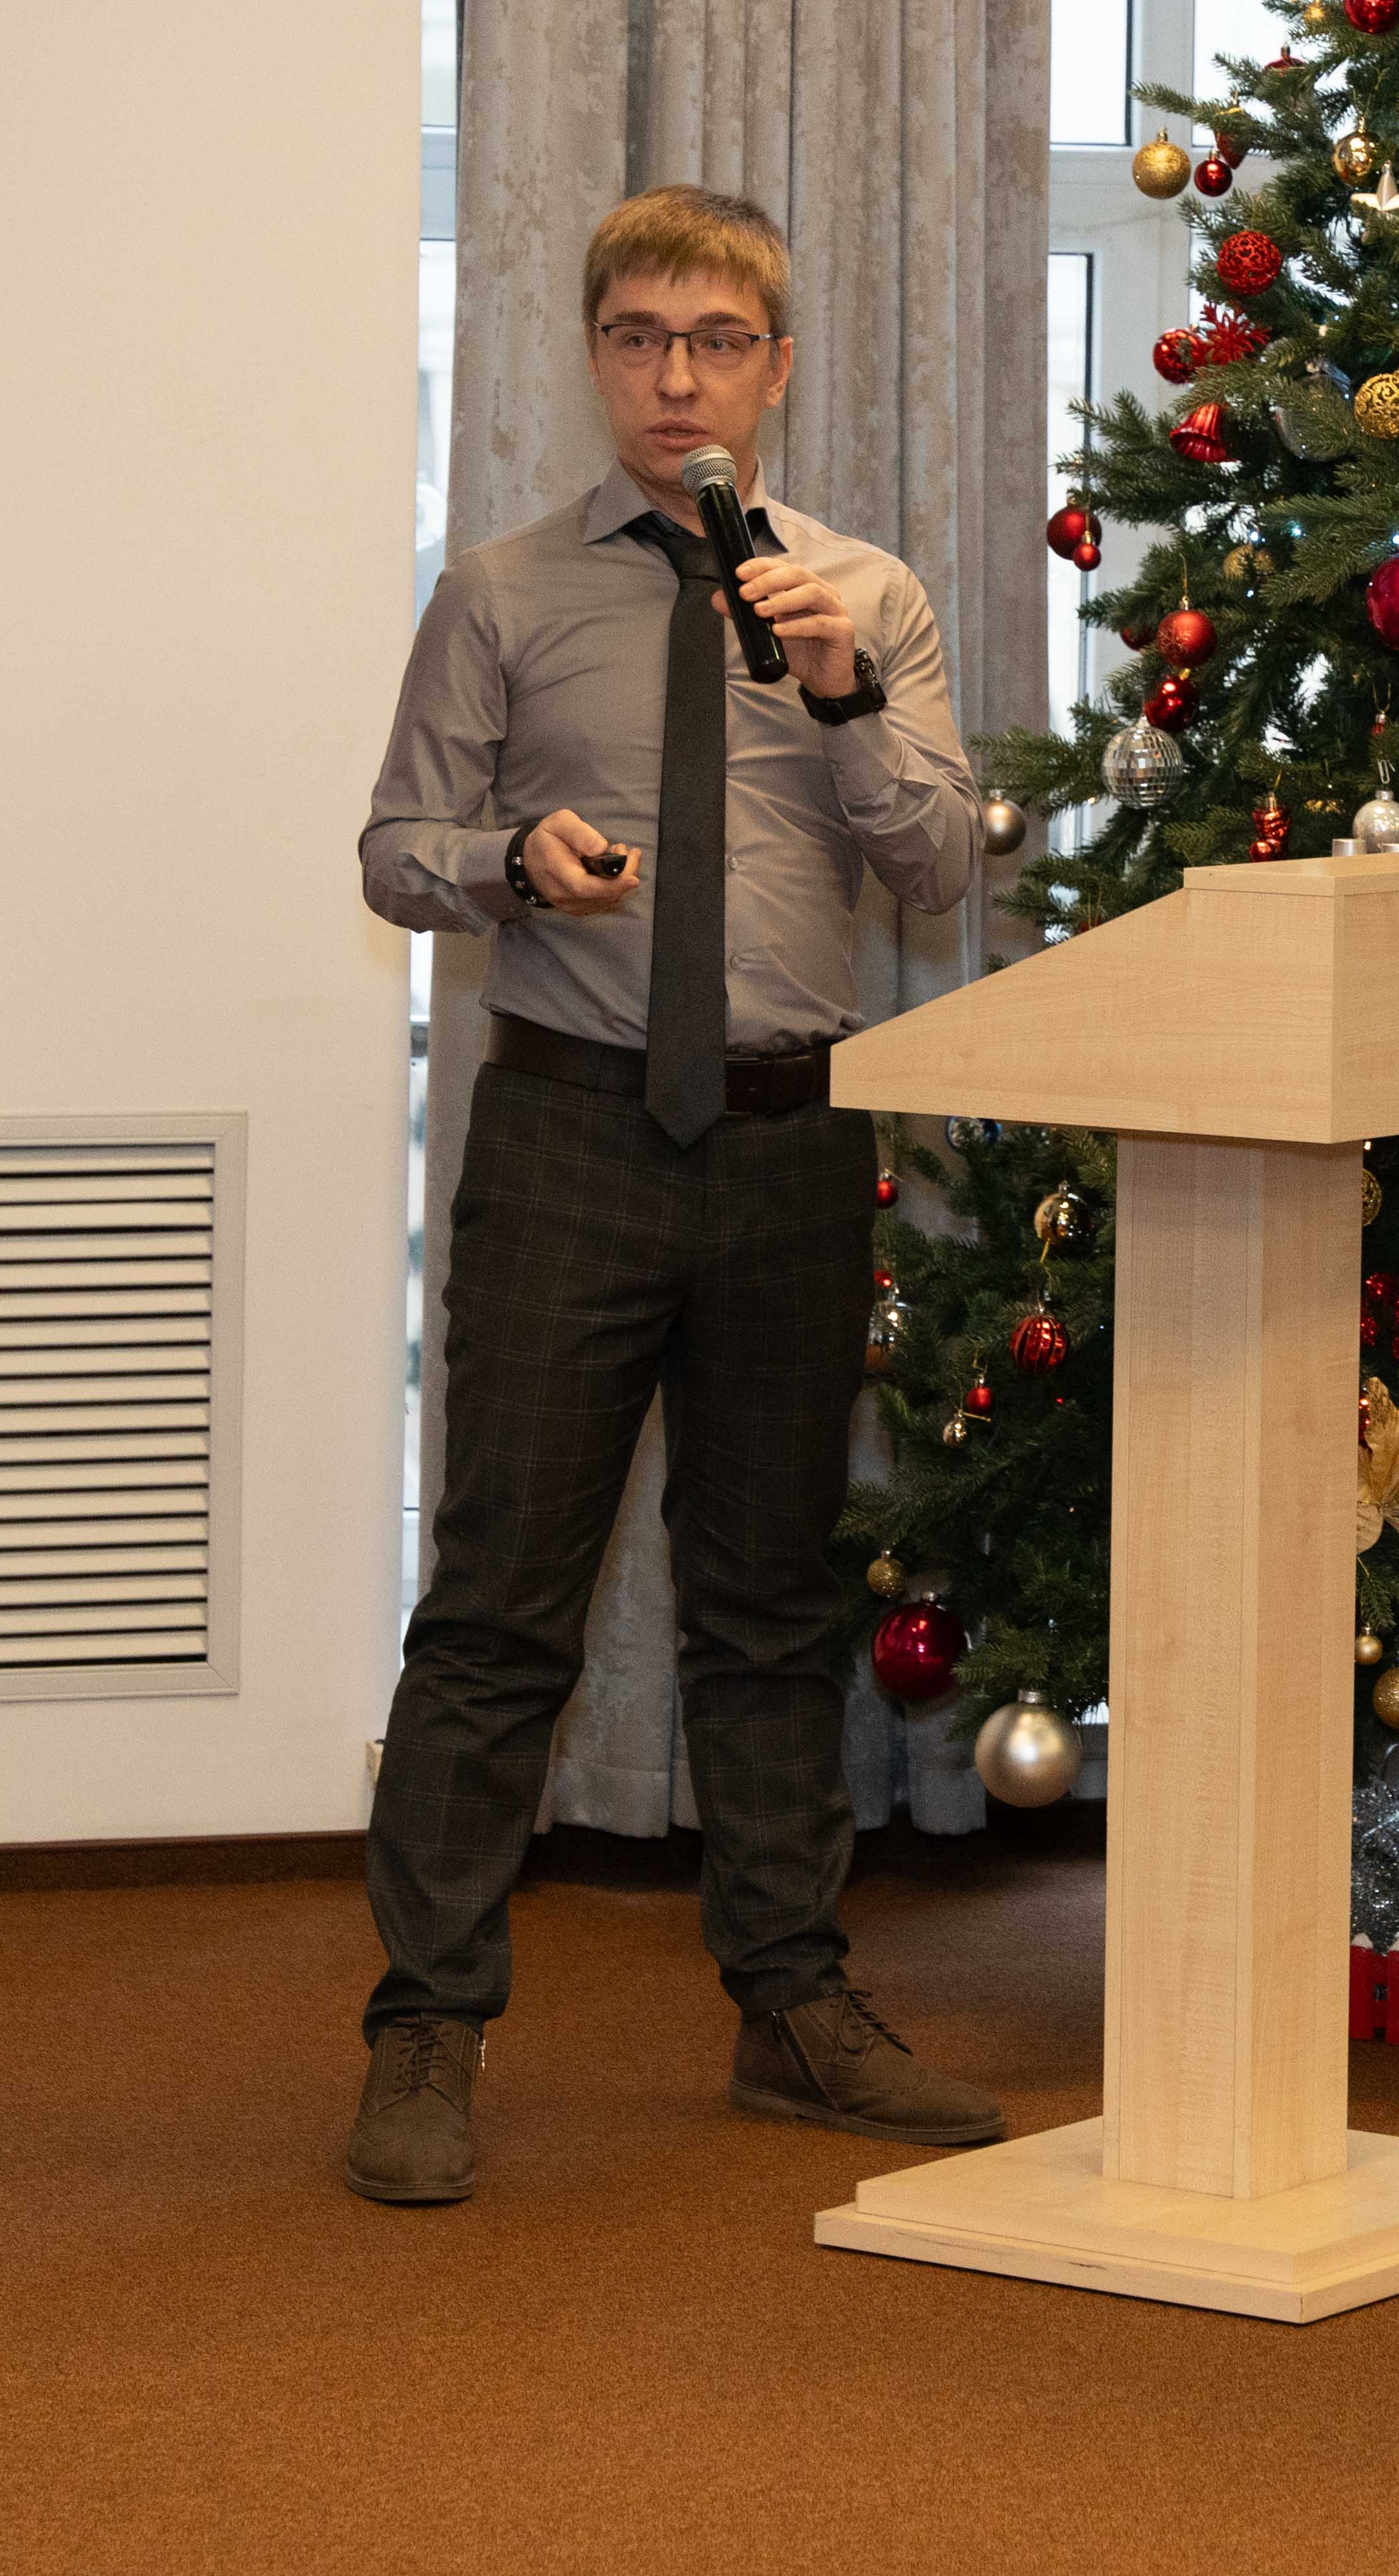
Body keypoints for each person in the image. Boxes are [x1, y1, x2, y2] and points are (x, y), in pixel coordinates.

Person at [342, 184, 996, 2204]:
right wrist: (509, 862)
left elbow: (940, 864)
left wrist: (843, 695)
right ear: (595, 357)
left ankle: (793, 2009)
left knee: (771, 1603)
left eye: (715, 340)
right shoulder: (502, 591)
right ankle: (426, 2026)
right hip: (572, 1135)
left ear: (774, 367)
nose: (675, 377)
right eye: (638, 338)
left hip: (793, 1144)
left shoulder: (861, 597)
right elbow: (394, 847)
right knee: (497, 1603)